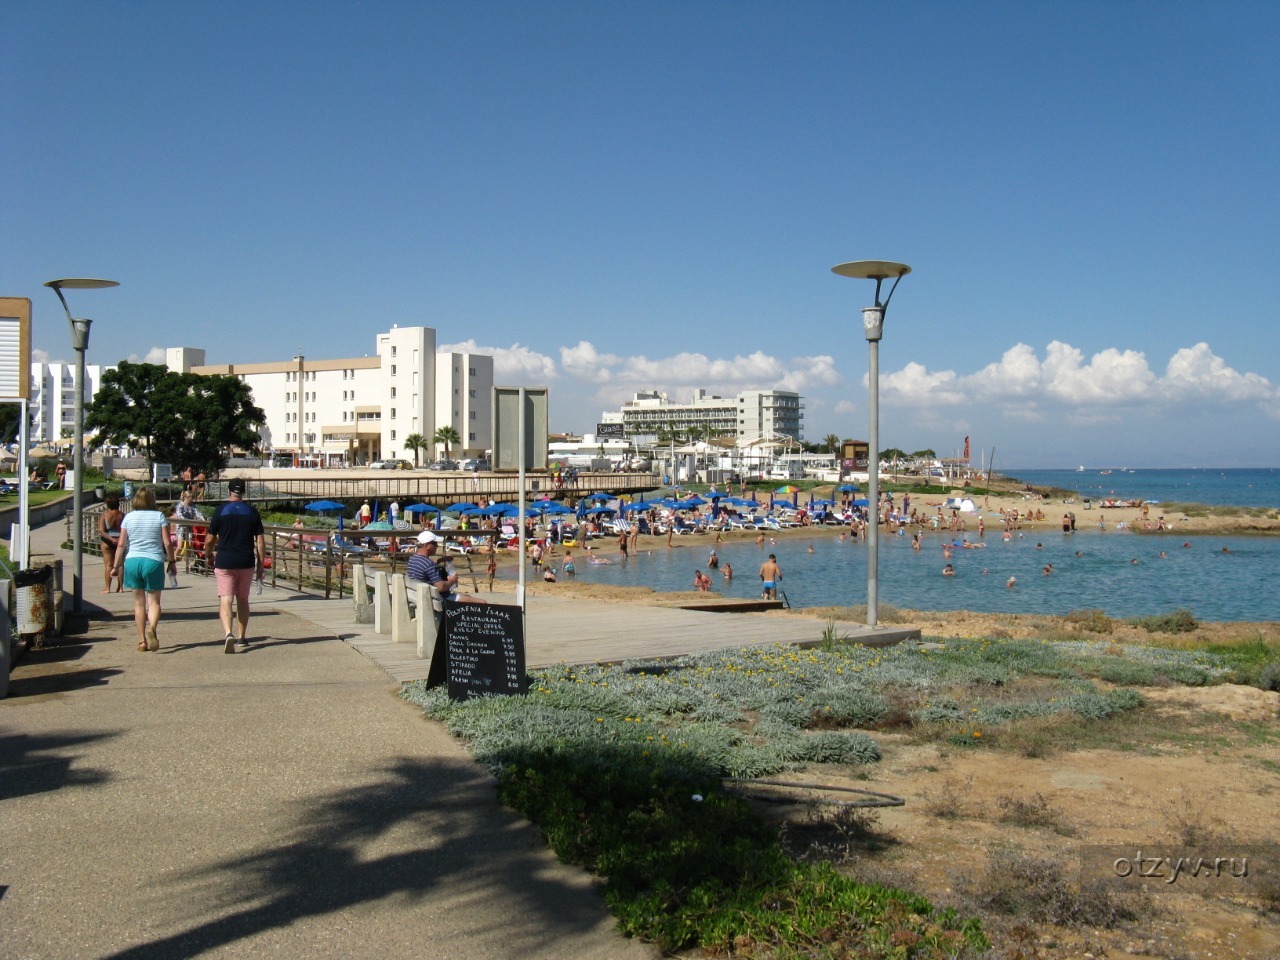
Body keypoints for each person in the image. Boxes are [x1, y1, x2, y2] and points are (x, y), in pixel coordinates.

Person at [112, 486, 178, 652]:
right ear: (152, 500)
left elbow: (121, 544)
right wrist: (171, 561)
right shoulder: (159, 516)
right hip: (153, 561)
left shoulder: (128, 518)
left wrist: (115, 566)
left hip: (132, 561)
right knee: (154, 602)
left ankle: (142, 641)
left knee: (139, 604)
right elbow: (167, 542)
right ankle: (152, 628)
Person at [206, 477, 267, 653]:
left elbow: (210, 539)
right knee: (243, 599)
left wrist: (208, 554)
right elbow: (260, 541)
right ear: (244, 493)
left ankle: (228, 633)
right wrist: (261, 565)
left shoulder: (221, 511)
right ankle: (242, 637)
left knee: (226, 598)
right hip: (246, 560)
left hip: (225, 560)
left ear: (228, 492)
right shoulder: (252, 512)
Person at [99, 494, 125, 593]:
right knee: (120, 564)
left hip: (107, 542)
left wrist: (111, 539)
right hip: (120, 540)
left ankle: (107, 588)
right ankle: (120, 587)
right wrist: (118, 539)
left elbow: (102, 531)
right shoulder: (122, 515)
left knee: (108, 565)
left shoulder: (104, 515)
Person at [171, 491, 201, 568]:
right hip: (181, 527)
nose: (193, 499)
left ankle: (187, 564)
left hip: (189, 527)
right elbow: (179, 515)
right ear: (187, 498)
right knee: (180, 546)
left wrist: (203, 519)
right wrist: (188, 521)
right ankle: (172, 562)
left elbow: (197, 513)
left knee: (189, 545)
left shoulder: (192, 506)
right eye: (192, 498)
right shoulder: (180, 506)